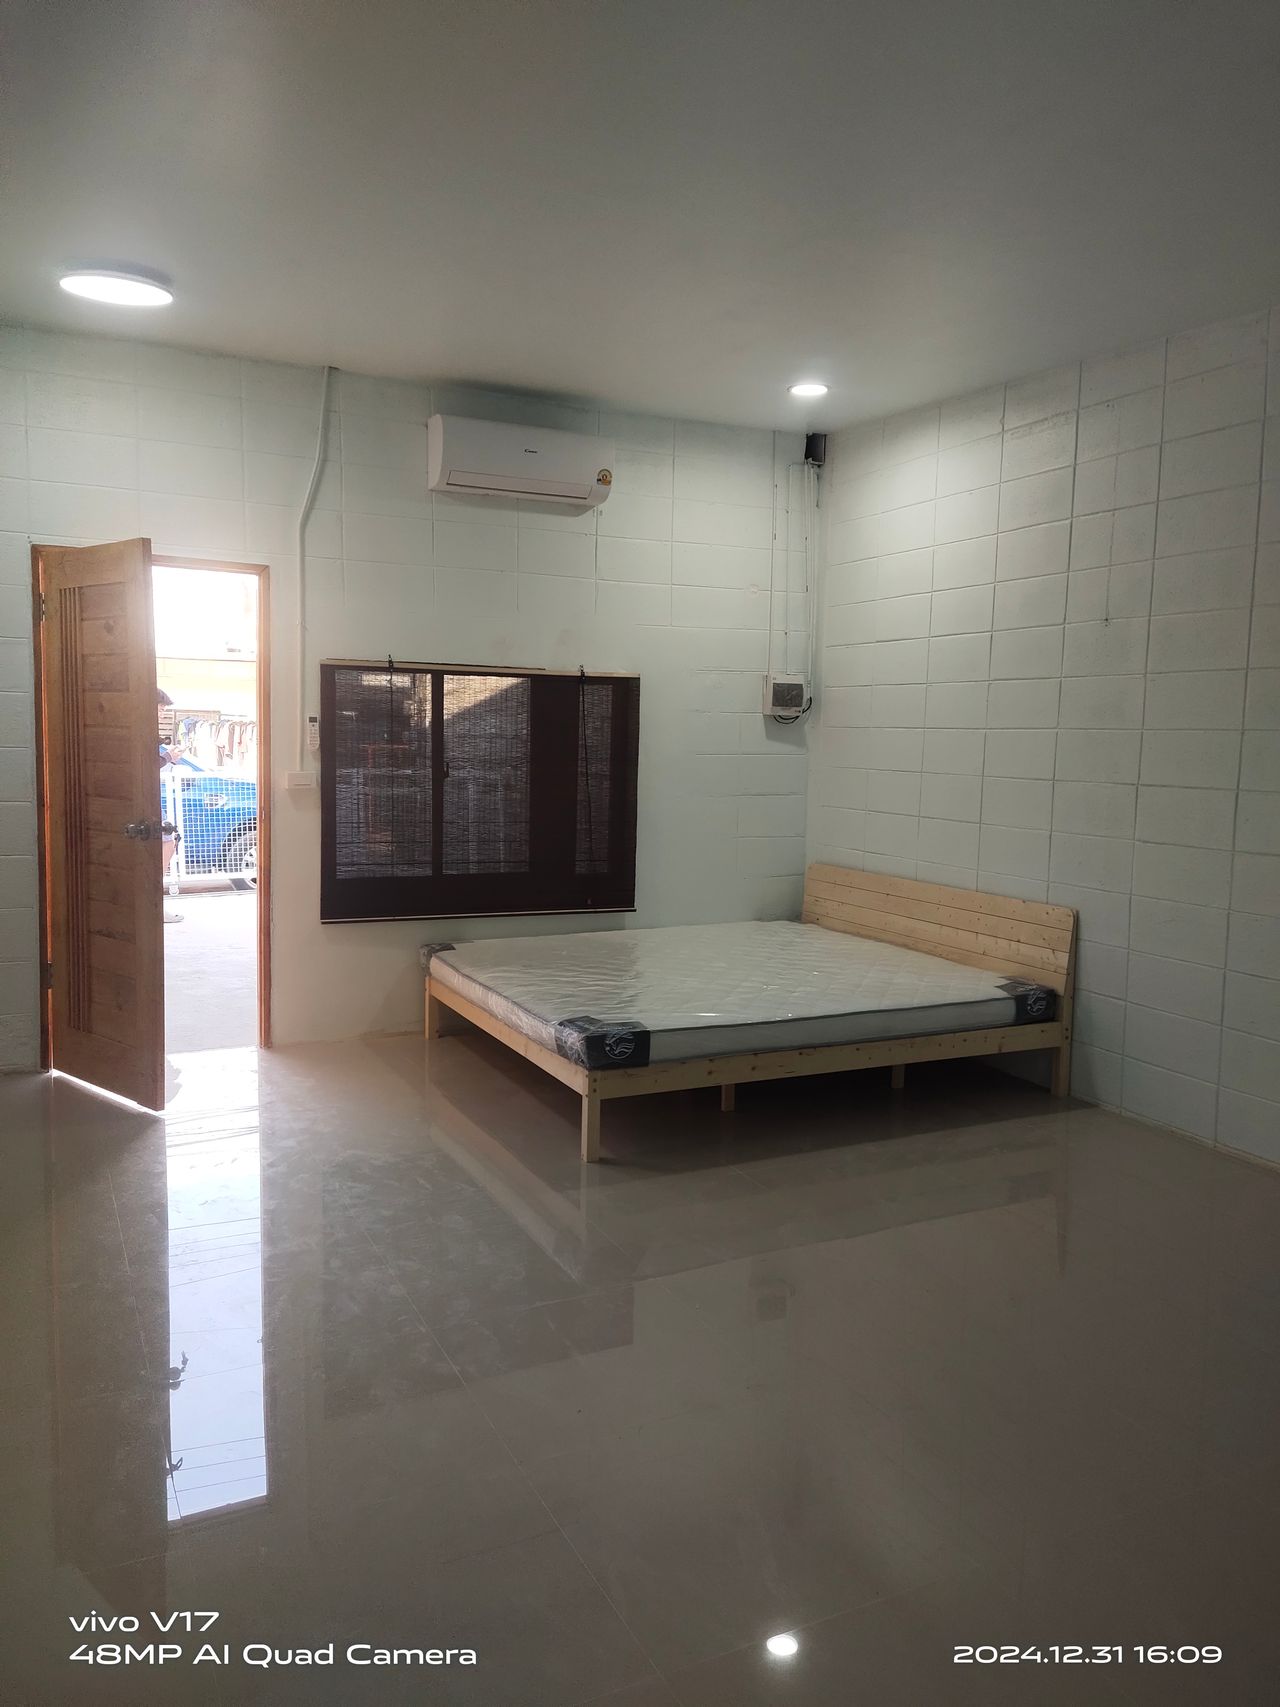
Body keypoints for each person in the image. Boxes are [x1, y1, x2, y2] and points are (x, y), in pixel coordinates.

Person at [157, 689, 182, 923]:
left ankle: (154, 903)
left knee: (168, 843)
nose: (162, 713)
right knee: (167, 844)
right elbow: (148, 763)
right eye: (161, 708)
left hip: (152, 799)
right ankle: (154, 902)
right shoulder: (141, 730)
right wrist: (168, 757)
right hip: (149, 801)